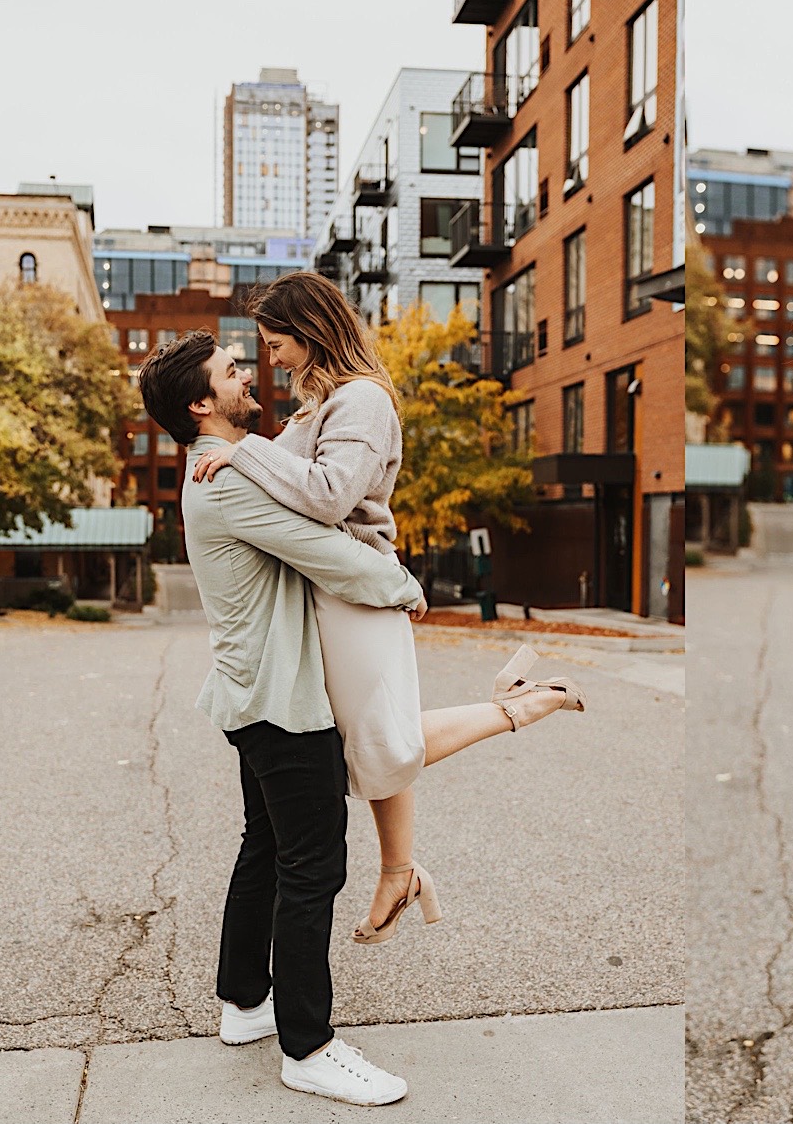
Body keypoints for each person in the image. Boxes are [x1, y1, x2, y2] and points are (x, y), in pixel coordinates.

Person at [188, 272, 584, 944]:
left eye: (276, 342)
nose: (271, 358)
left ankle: (522, 706)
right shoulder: (316, 408)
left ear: (310, 333)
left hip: (358, 593)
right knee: (364, 746)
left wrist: (243, 450)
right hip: (335, 592)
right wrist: (240, 456)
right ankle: (401, 867)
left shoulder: (364, 400)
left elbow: (328, 496)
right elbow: (278, 485)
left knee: (379, 745)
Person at [139, 332, 421, 1103]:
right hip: (281, 702)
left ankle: (242, 1002)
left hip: (250, 694)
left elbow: (294, 458)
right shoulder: (223, 481)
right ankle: (309, 1045)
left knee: (265, 847)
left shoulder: (223, 467)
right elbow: (322, 549)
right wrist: (401, 583)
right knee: (314, 864)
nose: (246, 374)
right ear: (202, 403)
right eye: (232, 371)